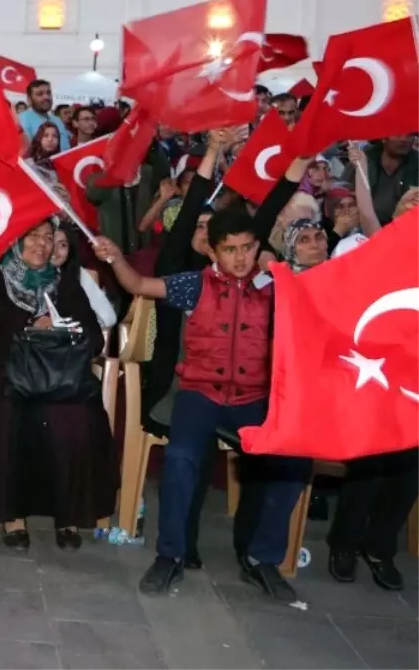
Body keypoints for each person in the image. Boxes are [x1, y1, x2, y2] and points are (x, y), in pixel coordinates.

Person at [95, 208, 311, 603]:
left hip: (253, 398)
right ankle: (170, 554)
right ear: (213, 253)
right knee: (180, 460)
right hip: (200, 394)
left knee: (293, 465)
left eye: (248, 248)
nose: (241, 257)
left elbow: (316, 306)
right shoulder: (195, 284)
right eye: (230, 250)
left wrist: (280, 269)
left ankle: (262, 559)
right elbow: (140, 283)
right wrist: (115, 259)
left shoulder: (276, 290)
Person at [0, 220, 117, 551]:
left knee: (77, 419)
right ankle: (13, 516)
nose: (42, 244)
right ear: (15, 241)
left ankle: (67, 514)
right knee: (11, 416)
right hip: (9, 376)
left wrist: (60, 329)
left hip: (60, 379)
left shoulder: (65, 283)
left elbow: (93, 337)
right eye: (33, 236)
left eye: (48, 238)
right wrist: (30, 326)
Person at [342, 135, 419, 226]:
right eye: (398, 134)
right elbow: (343, 192)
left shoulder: (416, 164)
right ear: (384, 137)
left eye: (409, 135)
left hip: (406, 227)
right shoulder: (362, 160)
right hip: (362, 227)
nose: (404, 139)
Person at [19, 79, 71, 151]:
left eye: (48, 93)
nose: (46, 97)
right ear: (29, 100)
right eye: (40, 94)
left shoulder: (57, 120)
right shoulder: (21, 120)